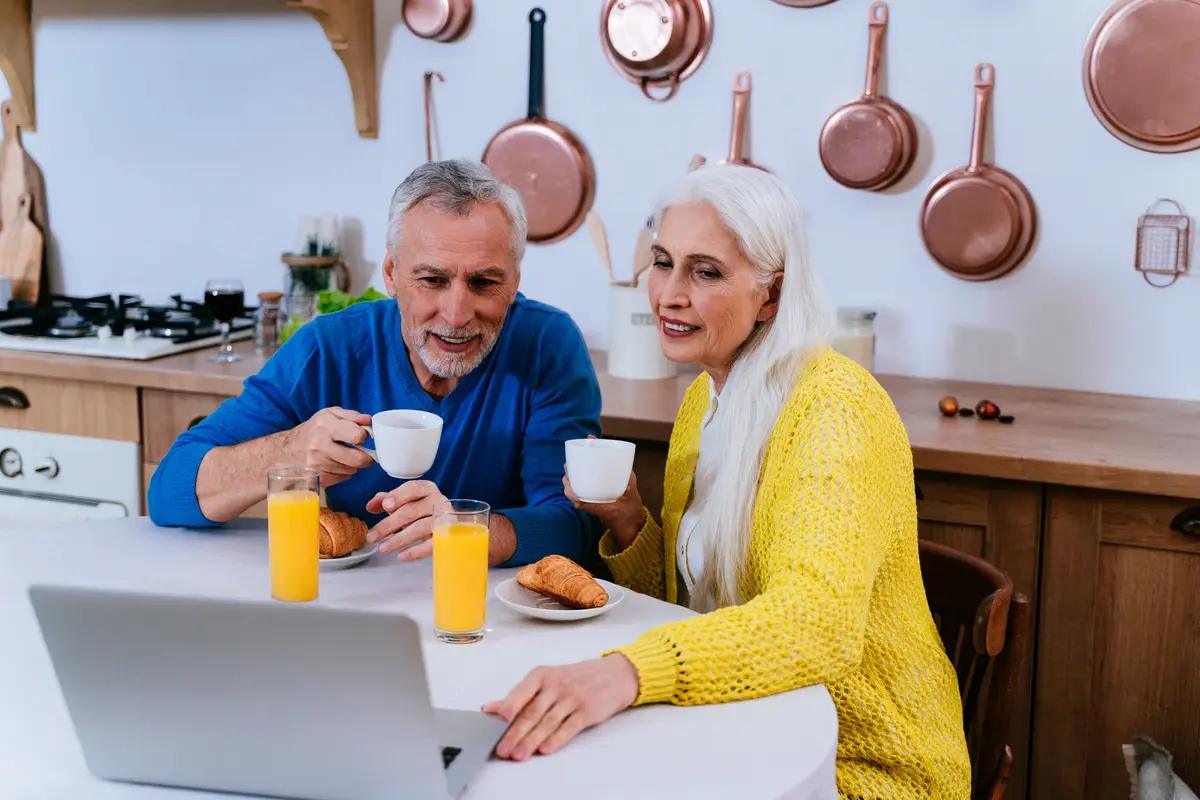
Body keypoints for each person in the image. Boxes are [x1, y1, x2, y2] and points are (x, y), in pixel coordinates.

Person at [482, 164, 972, 798]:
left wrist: (629, 671)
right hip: (740, 723)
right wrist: (630, 521)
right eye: (663, 262)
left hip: (857, 764)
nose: (669, 294)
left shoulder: (834, 409)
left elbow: (815, 624)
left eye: (705, 272)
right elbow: (698, 603)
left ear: (771, 294)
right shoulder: (704, 402)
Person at [148, 158, 603, 568]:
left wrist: (469, 529)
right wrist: (288, 452)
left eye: (485, 282)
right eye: (432, 279)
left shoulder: (548, 345)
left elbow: (577, 526)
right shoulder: (328, 347)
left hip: (489, 614)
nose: (457, 314)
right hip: (354, 611)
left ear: (515, 280)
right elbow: (168, 490)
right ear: (391, 274)